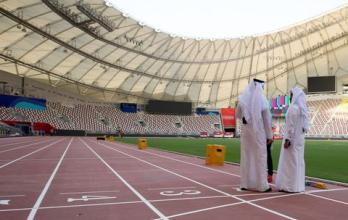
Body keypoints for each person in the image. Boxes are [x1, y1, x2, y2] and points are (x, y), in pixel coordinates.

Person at [236, 79, 273, 192]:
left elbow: (238, 115)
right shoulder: (262, 99)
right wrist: (269, 136)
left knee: (246, 156)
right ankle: (262, 185)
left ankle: (245, 183)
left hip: (246, 131)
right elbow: (267, 119)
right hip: (258, 131)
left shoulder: (242, 99)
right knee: (260, 156)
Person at [276, 87, 309, 193]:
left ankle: (288, 186)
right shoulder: (303, 110)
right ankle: (297, 186)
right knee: (298, 162)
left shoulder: (293, 108)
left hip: (292, 140)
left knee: (289, 162)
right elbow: (305, 127)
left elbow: (291, 126)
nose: (290, 97)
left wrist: (288, 139)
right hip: (300, 140)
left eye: (291, 95)